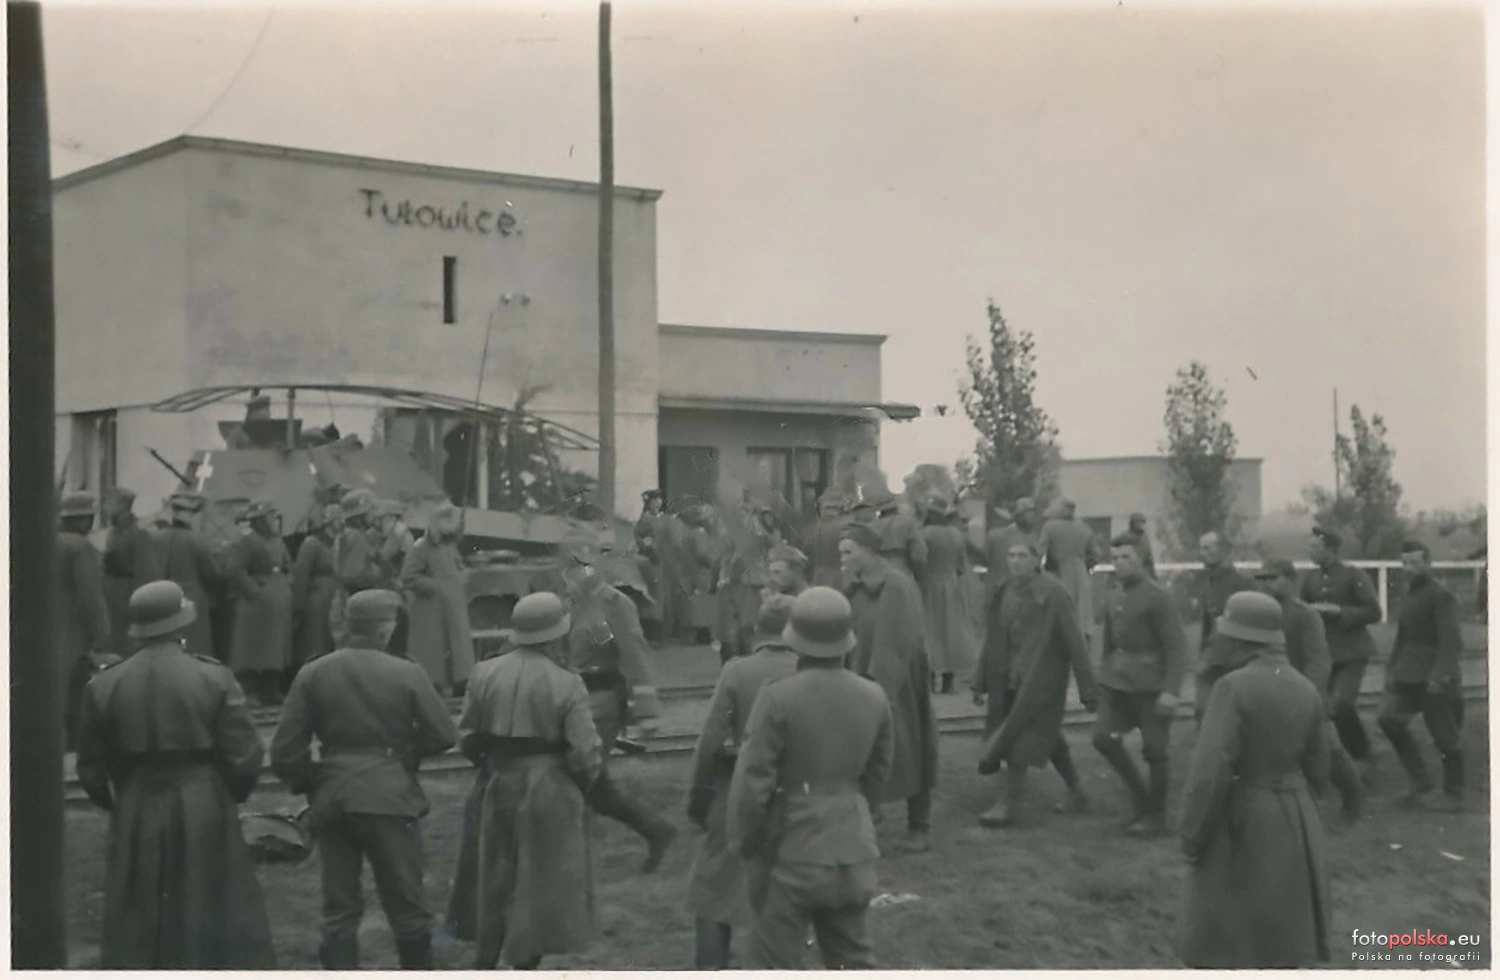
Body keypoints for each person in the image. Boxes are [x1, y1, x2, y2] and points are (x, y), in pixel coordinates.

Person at [75, 581, 275, 968]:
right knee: (211, 895)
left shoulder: (103, 684)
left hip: (137, 799)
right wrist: (228, 793)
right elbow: (245, 754)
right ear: (180, 624)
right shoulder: (213, 677)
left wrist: (123, 798)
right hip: (202, 795)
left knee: (137, 901)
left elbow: (91, 767)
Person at [271, 589, 459, 969]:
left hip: (332, 797)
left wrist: (312, 782)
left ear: (348, 625)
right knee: (406, 904)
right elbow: (443, 734)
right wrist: (406, 758)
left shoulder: (314, 672)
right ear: (386, 628)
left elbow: (285, 750)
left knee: (339, 909)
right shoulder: (406, 671)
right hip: (389, 795)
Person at [727, 587, 894, 970]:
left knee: (772, 964)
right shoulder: (874, 695)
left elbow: (753, 781)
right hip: (853, 846)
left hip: (792, 848)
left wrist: (746, 842)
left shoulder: (777, 697)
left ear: (795, 640)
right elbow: (879, 772)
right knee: (854, 960)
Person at [1178, 591, 1331, 968]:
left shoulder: (1232, 687)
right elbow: (1320, 768)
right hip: (1296, 813)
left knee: (1233, 931)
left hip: (1244, 813)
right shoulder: (1305, 687)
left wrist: (1192, 834)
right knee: (1283, 928)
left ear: (1239, 640)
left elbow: (1210, 771)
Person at [460, 592, 602, 970]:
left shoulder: (483, 673)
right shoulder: (567, 682)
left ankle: (485, 960)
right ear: (556, 635)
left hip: (498, 779)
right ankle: (525, 963)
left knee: (494, 877)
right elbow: (585, 750)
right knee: (538, 880)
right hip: (549, 782)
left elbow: (468, 737)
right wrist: (582, 783)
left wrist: (490, 764)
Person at [686, 594, 800, 969]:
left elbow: (710, 743)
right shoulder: (810, 670)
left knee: (714, 886)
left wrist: (698, 800)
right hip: (797, 792)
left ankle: (711, 967)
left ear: (758, 630)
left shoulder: (737, 671)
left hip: (737, 785)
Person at [558, 529, 679, 872]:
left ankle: (570, 861)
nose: (578, 572)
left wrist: (647, 710)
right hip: (569, 700)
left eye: (584, 563)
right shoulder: (565, 603)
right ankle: (656, 830)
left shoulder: (615, 604)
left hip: (600, 700)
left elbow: (635, 654)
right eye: (571, 565)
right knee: (590, 781)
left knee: (576, 776)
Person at [974, 542, 1099, 827]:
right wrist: (980, 681)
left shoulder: (1054, 593)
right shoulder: (1005, 591)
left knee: (1020, 735)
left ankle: (1008, 804)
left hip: (1042, 680)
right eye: (1011, 555)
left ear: (1036, 559)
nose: (1016, 561)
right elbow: (993, 640)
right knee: (1049, 736)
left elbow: (1075, 642)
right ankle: (1078, 792)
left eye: (1023, 555)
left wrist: (1088, 689)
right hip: (1009, 677)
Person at [841, 522, 939, 853]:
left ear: (868, 551)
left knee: (910, 750)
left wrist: (878, 691)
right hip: (863, 679)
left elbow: (893, 645)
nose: (843, 559)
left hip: (896, 685)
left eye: (848, 552)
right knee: (869, 754)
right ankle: (869, 814)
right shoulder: (856, 586)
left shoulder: (895, 585)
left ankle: (920, 825)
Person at [1244, 559, 1364, 821]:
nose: (1266, 584)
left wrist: (1306, 696)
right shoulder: (1256, 616)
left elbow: (1318, 661)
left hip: (1305, 695)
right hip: (1269, 693)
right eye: (1261, 579)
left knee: (1328, 750)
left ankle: (1353, 798)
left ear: (1291, 580)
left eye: (1273, 578)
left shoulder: (1304, 615)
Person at [1093, 535, 1190, 835]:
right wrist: (1104, 678)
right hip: (1117, 685)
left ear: (1141, 559)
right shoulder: (1114, 595)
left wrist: (1171, 691)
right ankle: (1142, 799)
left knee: (1155, 750)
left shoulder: (1158, 597)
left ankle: (1156, 815)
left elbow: (1177, 647)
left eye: (1126, 557)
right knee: (1103, 738)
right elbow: (1109, 645)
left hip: (1151, 687)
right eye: (1115, 558)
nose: (1119, 563)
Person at [1378, 541, 1466, 811]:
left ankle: (1453, 795)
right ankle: (1421, 782)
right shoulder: (1409, 595)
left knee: (1445, 738)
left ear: (1428, 563)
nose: (1409, 568)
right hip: (1407, 675)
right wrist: (1391, 670)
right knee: (1388, 720)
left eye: (1415, 563)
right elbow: (1402, 638)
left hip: (1434, 679)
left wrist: (1440, 677)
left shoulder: (1440, 595)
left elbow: (1451, 639)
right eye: (1405, 563)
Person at [1301, 526, 1381, 780]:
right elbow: (1302, 610)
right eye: (1310, 547)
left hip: (1352, 652)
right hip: (1325, 653)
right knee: (1323, 707)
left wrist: (1340, 612)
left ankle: (1362, 755)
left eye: (1316, 547)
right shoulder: (1310, 579)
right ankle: (1336, 761)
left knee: (1341, 704)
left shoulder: (1354, 575)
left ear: (1331, 549)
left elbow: (1374, 612)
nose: (1311, 552)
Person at [56, 491, 113, 750]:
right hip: (72, 628)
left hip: (43, 627)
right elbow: (91, 597)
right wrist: (102, 636)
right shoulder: (80, 547)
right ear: (83, 520)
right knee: (75, 691)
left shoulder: (46, 541)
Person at [401, 501, 475, 697]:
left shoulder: (450, 546)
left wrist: (461, 575)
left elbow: (458, 565)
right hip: (431, 609)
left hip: (454, 608)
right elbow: (408, 576)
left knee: (458, 649)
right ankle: (433, 686)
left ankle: (460, 682)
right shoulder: (421, 547)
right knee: (433, 653)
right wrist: (434, 586)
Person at [226, 497, 293, 706]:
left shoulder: (277, 540)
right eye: (269, 515)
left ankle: (270, 688)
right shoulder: (247, 541)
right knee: (253, 646)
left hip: (278, 600)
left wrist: (286, 584)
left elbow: (287, 564)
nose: (274, 519)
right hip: (256, 604)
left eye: (273, 515)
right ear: (260, 519)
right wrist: (253, 591)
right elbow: (234, 569)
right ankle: (249, 689)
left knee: (275, 647)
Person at [149, 491, 224, 661]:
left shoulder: (154, 538)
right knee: (194, 649)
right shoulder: (197, 541)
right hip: (191, 599)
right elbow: (212, 574)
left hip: (160, 598)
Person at [1192, 531, 1254, 718]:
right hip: (1213, 653)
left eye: (1207, 548)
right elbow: (1208, 622)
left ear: (1222, 550)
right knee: (1204, 709)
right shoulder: (1207, 581)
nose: (1202, 553)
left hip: (1235, 654)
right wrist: (1205, 652)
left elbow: (1250, 617)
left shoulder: (1241, 581)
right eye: (1201, 548)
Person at [921, 498, 979, 694]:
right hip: (952, 586)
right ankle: (948, 680)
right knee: (951, 631)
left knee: (930, 630)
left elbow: (920, 561)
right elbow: (961, 566)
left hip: (929, 586)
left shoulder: (925, 534)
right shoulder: (956, 535)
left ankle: (929, 678)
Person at [329, 488, 389, 646]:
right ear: (360, 515)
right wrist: (378, 573)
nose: (373, 515)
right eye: (370, 511)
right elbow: (353, 576)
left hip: (348, 603)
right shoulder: (356, 537)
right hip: (357, 604)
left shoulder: (349, 534)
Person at [101, 487, 156, 657]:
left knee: (127, 648)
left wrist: (139, 606)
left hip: (127, 598)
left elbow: (144, 573)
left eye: (109, 501)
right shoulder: (113, 532)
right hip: (111, 598)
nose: (104, 507)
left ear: (123, 505)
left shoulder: (138, 533)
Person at [1039, 498, 1099, 645]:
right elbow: (1095, 555)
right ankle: (1083, 640)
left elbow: (1040, 550)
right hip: (1080, 571)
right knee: (1082, 610)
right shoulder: (1084, 529)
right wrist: (1086, 566)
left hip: (1058, 571)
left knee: (1060, 604)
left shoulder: (1050, 527)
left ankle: (1059, 639)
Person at [290, 503, 339, 671]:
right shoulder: (312, 543)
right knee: (315, 642)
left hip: (336, 598)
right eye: (338, 519)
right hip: (317, 600)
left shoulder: (341, 542)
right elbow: (301, 574)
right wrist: (298, 604)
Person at [984, 499, 1041, 606]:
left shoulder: (1034, 539)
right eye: (1028, 513)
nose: (1032, 517)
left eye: (1033, 513)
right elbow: (984, 558)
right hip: (999, 590)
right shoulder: (997, 535)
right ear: (1018, 515)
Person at [868, 488, 928, 587]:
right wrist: (920, 575)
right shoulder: (907, 523)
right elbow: (918, 554)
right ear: (895, 506)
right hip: (902, 572)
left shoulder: (870, 527)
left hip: (877, 576)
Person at [805, 490, 849, 588]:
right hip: (825, 579)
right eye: (827, 508)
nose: (828, 512)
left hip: (828, 578)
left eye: (832, 508)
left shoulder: (813, 529)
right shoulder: (813, 529)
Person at [1121, 512, 1157, 579]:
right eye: (1138, 522)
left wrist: (1152, 574)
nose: (1141, 525)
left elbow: (1148, 556)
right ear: (1132, 524)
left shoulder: (1145, 537)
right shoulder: (1126, 536)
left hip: (1144, 572)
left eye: (1142, 522)